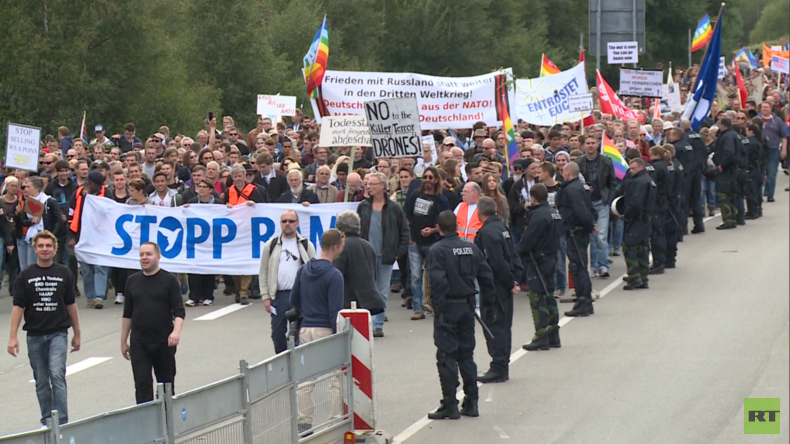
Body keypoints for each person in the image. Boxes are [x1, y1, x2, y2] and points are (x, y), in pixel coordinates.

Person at [426, 210, 496, 420]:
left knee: (447, 356)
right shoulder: (470, 247)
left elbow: (438, 283)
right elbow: (486, 277)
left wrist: (438, 309)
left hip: (448, 307)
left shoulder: (437, 250)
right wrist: (487, 306)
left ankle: (450, 403)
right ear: (456, 225)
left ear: (439, 227)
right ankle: (472, 402)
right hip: (467, 306)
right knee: (466, 355)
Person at [7, 230, 80, 427]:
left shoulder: (64, 273)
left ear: (55, 249)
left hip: (58, 334)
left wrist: (77, 334)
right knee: (41, 381)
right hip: (35, 335)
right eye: (41, 246)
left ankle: (62, 422)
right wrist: (13, 337)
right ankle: (47, 420)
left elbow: (71, 305)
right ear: (35, 249)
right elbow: (18, 307)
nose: (45, 249)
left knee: (57, 375)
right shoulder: (25, 276)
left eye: (48, 246)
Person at [290, 229, 345, 433]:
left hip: (306, 328)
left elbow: (293, 300)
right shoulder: (334, 275)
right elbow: (335, 311)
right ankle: (334, 421)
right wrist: (337, 334)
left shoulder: (304, 270)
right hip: (325, 328)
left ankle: (304, 422)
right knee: (334, 377)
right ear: (336, 247)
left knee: (306, 379)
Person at [121, 242, 185, 404]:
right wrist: (123, 341)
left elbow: (179, 311)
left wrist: (176, 332)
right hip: (139, 342)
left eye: (148, 254)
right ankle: (147, 423)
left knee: (166, 384)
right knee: (142, 385)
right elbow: (127, 313)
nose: (144, 258)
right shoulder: (132, 281)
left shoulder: (169, 280)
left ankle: (166, 421)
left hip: (164, 341)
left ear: (158, 256)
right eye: (142, 254)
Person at [474, 197, 522, 382]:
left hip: (495, 286)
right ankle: (501, 364)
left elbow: (497, 261)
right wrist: (515, 277)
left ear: (480, 212)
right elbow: (513, 254)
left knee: (495, 325)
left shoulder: (487, 232)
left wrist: (510, 282)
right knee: (503, 325)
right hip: (503, 283)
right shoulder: (502, 228)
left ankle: (499, 365)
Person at [357, 172, 408, 337]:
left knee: (382, 290)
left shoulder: (394, 208)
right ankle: (368, 322)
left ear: (382, 186)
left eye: (372, 184)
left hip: (386, 255)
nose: (368, 187)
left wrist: (397, 254)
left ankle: (378, 324)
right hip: (366, 256)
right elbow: (357, 230)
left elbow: (404, 232)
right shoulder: (363, 206)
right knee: (367, 289)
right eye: (368, 184)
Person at [259, 210, 316, 354]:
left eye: (291, 221)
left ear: (297, 223)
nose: (287, 224)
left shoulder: (306, 245)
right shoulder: (271, 245)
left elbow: (314, 270)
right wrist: (266, 297)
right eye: (284, 221)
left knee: (299, 333)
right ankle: (282, 363)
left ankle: (298, 364)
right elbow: (263, 271)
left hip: (300, 296)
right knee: (278, 334)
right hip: (279, 297)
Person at [518, 184, 563, 350]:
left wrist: (518, 252)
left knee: (538, 298)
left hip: (538, 260)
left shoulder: (537, 216)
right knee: (549, 295)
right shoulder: (554, 213)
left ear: (533, 198)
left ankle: (541, 335)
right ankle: (553, 334)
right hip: (551, 257)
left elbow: (527, 240)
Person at [403, 166, 449, 320]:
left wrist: (433, 230)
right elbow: (407, 214)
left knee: (433, 276)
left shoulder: (441, 199)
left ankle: (435, 305)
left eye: (430, 177)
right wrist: (409, 232)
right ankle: (418, 308)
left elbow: (445, 222)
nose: (427, 180)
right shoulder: (415, 195)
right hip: (415, 242)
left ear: (436, 180)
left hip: (433, 243)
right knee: (416, 276)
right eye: (425, 177)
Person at [556, 163, 596, 317]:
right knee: (580, 266)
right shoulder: (582, 186)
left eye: (563, 171)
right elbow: (589, 208)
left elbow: (581, 210)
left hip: (575, 231)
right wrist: (592, 222)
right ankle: (586, 301)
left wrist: (589, 224)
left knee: (577, 267)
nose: (562, 174)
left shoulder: (571, 189)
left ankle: (582, 301)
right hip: (579, 231)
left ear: (568, 172)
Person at [576, 135, 617, 278]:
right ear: (584, 145)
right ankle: (593, 266)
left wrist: (609, 199)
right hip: (587, 204)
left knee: (601, 235)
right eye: (588, 142)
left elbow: (612, 182)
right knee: (591, 237)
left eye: (593, 142)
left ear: (598, 144)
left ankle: (603, 265)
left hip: (601, 202)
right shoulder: (579, 162)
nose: (590, 145)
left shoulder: (606, 161)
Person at [183, 178, 223, 306]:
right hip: (195, 240)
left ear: (211, 190)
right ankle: (194, 296)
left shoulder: (217, 203)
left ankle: (208, 296)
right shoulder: (193, 202)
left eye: (204, 187)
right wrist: (184, 209)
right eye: (199, 186)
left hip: (212, 240)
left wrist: (228, 208)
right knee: (193, 268)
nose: (201, 189)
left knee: (208, 268)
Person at [333, 211, 384, 315]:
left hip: (348, 299)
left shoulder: (341, 246)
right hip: (368, 298)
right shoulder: (368, 245)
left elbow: (337, 274)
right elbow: (374, 272)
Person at [621, 158, 655, 290]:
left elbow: (635, 202)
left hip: (636, 218)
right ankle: (643, 277)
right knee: (642, 248)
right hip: (645, 218)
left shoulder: (639, 182)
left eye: (633, 168)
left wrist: (626, 214)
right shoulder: (648, 180)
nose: (631, 170)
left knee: (629, 246)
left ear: (641, 167)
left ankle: (634, 277)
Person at [712, 118, 742, 230]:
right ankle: (734, 217)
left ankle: (728, 219)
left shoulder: (727, 136)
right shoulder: (735, 135)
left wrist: (722, 164)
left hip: (727, 170)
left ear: (722, 125)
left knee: (723, 195)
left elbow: (729, 152)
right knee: (731, 194)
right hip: (734, 169)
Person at [758, 101, 788, 202]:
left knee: (771, 173)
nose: (765, 109)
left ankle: (770, 193)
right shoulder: (756, 120)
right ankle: (759, 194)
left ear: (771, 109)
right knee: (760, 173)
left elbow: (784, 136)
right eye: (763, 107)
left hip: (773, 149)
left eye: (767, 107)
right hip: (759, 150)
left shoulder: (777, 121)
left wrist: (783, 149)